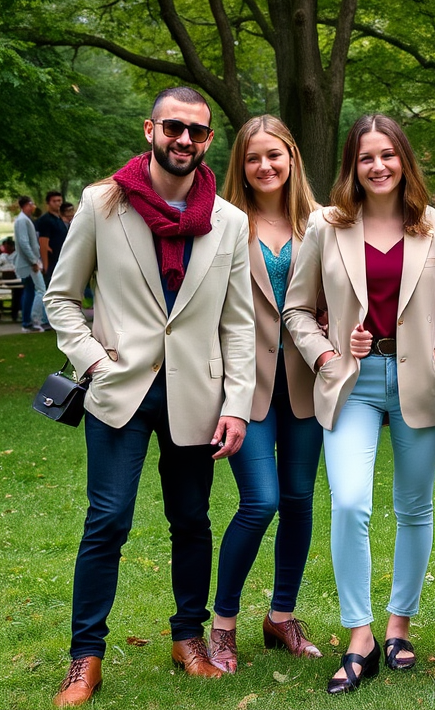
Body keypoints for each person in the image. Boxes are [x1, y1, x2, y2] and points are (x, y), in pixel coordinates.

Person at [45, 87, 256, 707]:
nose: (183, 140)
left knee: (191, 520)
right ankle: (86, 658)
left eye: (196, 131)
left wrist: (237, 402)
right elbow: (61, 297)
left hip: (197, 395)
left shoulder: (229, 221)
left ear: (208, 139)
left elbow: (238, 323)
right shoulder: (101, 203)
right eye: (173, 128)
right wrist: (93, 361)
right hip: (119, 390)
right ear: (150, 130)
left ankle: (187, 640)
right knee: (106, 521)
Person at [283, 114, 435, 695]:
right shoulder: (324, 226)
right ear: (351, 166)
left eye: (388, 155)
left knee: (413, 507)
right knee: (350, 502)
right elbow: (296, 311)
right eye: (366, 157)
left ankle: (398, 626)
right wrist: (328, 355)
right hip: (351, 381)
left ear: (403, 160)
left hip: (419, 380)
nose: (378, 166)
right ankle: (359, 634)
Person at [207, 115, 323, 673]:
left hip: (304, 384)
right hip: (243, 385)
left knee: (299, 501)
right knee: (261, 501)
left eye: (274, 155)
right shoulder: (222, 223)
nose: (265, 166)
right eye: (253, 158)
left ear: (292, 157)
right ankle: (223, 625)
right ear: (241, 166)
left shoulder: (322, 224)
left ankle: (281, 616)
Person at [13, 195, 47, 332]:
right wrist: (34, 261)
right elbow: (23, 242)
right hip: (28, 263)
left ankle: (27, 321)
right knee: (40, 290)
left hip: (30, 261)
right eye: (31, 204)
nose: (33, 207)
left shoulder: (25, 220)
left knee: (30, 291)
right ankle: (32, 320)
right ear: (26, 205)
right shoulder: (22, 220)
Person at [37, 190, 69, 282]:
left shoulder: (59, 219)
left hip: (61, 258)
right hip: (52, 261)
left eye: (59, 200)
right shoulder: (46, 220)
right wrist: (45, 267)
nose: (57, 203)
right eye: (54, 201)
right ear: (48, 203)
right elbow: (43, 244)